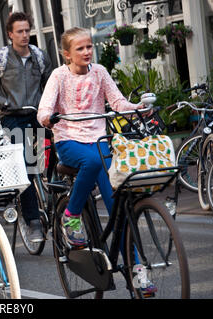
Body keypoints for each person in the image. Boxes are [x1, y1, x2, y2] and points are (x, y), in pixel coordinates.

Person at [37, 27, 148, 247]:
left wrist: (138, 108)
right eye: (80, 48)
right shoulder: (58, 76)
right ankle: (71, 214)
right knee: (93, 161)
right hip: (69, 141)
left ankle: (135, 269)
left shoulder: (99, 71)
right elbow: (44, 109)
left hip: (98, 141)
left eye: (89, 46)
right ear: (67, 54)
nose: (87, 51)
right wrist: (47, 118)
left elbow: (117, 103)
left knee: (117, 205)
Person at [0, 11, 53, 242]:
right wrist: (5, 102)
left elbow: (51, 85)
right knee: (27, 166)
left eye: (27, 30)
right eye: (19, 31)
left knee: (59, 149)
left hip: (37, 116)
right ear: (10, 34)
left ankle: (54, 196)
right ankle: (32, 221)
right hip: (12, 118)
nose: (24, 35)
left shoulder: (40, 57)